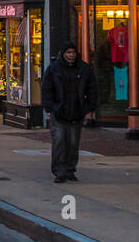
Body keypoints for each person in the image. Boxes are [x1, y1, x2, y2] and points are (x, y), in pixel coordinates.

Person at [40, 42, 98, 183]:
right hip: (59, 112)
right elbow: (47, 89)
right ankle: (59, 171)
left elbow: (92, 89)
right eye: (68, 53)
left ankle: (70, 169)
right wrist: (51, 107)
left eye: (73, 52)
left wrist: (87, 107)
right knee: (59, 141)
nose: (71, 55)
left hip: (76, 112)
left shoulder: (84, 69)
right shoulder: (54, 69)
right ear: (63, 54)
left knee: (73, 142)